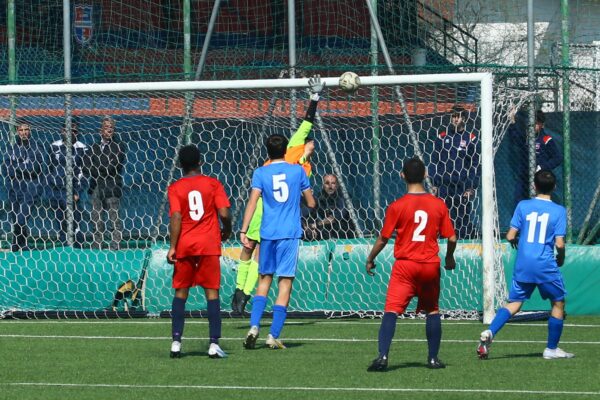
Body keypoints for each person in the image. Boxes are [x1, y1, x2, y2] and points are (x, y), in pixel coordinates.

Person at [231, 75, 324, 315]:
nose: (312, 144)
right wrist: (315, 97)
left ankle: (245, 293)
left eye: (312, 143)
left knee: (258, 252)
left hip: (275, 214)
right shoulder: (293, 150)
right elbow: (307, 123)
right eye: (310, 142)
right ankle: (240, 288)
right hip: (265, 207)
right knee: (249, 246)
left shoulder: (304, 168)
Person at [365, 157, 457, 372]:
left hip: (405, 266)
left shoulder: (397, 206)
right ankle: (433, 359)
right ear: (425, 175)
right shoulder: (438, 204)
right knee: (432, 311)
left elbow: (383, 238)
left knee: (391, 311)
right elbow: (452, 238)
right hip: (429, 265)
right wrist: (449, 257)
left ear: (402, 176)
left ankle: (383, 357)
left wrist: (370, 258)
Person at [477, 169, 572, 360]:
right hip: (544, 264)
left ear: (534, 186)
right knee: (558, 302)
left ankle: (490, 332)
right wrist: (560, 256)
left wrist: (519, 241)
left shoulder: (523, 205)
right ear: (554, 187)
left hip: (524, 262)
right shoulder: (559, 210)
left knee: (514, 303)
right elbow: (560, 243)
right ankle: (551, 349)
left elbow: (510, 235)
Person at [240, 134, 316, 350]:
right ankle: (273, 335)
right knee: (285, 283)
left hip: (268, 233)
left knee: (264, 281)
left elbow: (253, 202)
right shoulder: (297, 171)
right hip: (289, 234)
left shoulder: (261, 172)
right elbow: (310, 202)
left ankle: (254, 326)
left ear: (267, 152)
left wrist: (244, 230)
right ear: (285, 151)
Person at [167, 145, 232, 359]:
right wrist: (228, 229)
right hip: (208, 244)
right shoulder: (212, 184)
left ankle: (176, 342)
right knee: (211, 293)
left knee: (181, 293)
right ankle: (213, 344)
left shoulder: (175, 187)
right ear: (200, 162)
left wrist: (173, 246)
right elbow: (224, 212)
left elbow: (176, 217)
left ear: (180, 165)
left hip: (185, 244)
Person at [428, 106, 479, 239]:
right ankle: (442, 244)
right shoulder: (442, 137)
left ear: (464, 119)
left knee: (462, 218)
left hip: (461, 185)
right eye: (453, 116)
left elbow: (475, 165)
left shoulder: (471, 138)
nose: (455, 119)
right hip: (444, 185)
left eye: (458, 116)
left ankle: (462, 245)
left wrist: (471, 187)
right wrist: (434, 184)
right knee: (441, 215)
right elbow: (434, 160)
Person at [3, 123, 45, 251]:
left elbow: (34, 168)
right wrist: (21, 168)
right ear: (17, 132)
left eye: (26, 129)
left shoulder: (36, 147)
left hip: (30, 187)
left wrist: (17, 167)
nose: (24, 132)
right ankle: (19, 245)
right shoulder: (12, 148)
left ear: (30, 131)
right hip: (15, 188)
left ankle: (21, 245)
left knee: (22, 217)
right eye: (21, 130)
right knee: (16, 219)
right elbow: (7, 170)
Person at [85, 117, 125, 250]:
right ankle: (97, 244)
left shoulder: (118, 146)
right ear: (100, 130)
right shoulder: (94, 147)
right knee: (96, 218)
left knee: (114, 218)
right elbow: (86, 165)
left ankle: (115, 246)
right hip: (96, 186)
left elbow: (111, 167)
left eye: (111, 128)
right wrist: (99, 167)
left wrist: (96, 167)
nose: (109, 130)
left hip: (111, 186)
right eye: (106, 127)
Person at [47, 119, 88, 246]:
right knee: (60, 218)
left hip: (72, 190)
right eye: (67, 130)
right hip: (56, 190)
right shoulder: (54, 146)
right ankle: (64, 243)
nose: (70, 133)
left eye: (74, 131)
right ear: (62, 131)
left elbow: (84, 172)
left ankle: (77, 242)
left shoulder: (82, 148)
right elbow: (49, 168)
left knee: (73, 217)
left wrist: (77, 191)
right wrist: (50, 186)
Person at [508, 109, 562, 205]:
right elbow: (514, 137)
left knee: (539, 202)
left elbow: (558, 158)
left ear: (541, 125)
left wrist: (542, 167)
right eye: (531, 123)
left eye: (536, 124)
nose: (533, 126)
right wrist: (512, 122)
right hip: (524, 176)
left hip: (540, 178)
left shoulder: (546, 139)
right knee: (520, 200)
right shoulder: (526, 138)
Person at [303, 173, 354, 241]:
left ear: (337, 185)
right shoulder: (321, 197)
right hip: (328, 234)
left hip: (345, 233)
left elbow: (338, 215)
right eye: (327, 183)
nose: (330, 186)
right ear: (323, 185)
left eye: (333, 183)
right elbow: (311, 212)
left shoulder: (342, 196)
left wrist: (316, 225)